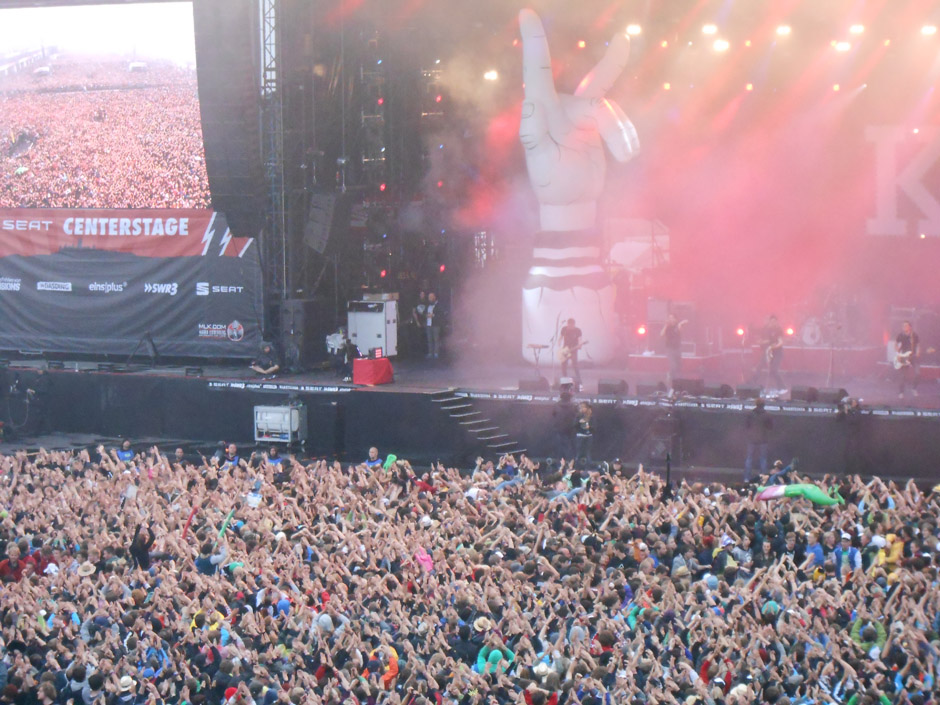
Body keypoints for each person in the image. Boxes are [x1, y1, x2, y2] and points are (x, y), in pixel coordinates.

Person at [752, 314, 784, 392]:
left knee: (773, 370)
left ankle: (782, 387)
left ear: (777, 322)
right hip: (767, 352)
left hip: (777, 353)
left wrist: (771, 345)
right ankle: (751, 385)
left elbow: (780, 342)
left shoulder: (779, 330)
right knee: (759, 367)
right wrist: (761, 342)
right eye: (771, 322)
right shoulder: (766, 330)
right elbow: (762, 339)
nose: (773, 323)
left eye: (774, 322)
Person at [744, 398, 772, 483]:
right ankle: (763, 479)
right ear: (764, 404)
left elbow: (746, 425)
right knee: (763, 459)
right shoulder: (767, 415)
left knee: (749, 458)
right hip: (763, 439)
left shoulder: (750, 414)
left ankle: (746, 478)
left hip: (752, 439)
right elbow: (770, 427)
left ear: (755, 404)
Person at [660, 313, 688, 391]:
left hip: (677, 348)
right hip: (670, 349)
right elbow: (661, 334)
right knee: (673, 365)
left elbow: (680, 330)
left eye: (672, 318)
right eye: (669, 318)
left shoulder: (678, 326)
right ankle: (670, 379)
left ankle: (676, 382)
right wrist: (665, 325)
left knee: (678, 366)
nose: (671, 319)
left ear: (675, 319)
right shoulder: (667, 327)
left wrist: (681, 323)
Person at [895, 319, 920, 399]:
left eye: (906, 325)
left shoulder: (914, 335)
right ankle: (901, 392)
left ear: (910, 327)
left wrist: (918, 352)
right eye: (903, 325)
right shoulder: (901, 335)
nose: (904, 327)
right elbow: (896, 344)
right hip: (904, 356)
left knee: (917, 373)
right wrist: (898, 353)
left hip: (913, 356)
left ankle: (914, 388)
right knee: (902, 376)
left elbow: (918, 345)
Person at [558, 318, 583, 390]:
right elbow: (560, 337)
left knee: (575, 365)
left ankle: (580, 382)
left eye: (571, 326)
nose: (569, 327)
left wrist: (580, 345)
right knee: (563, 365)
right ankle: (565, 382)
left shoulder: (578, 330)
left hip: (573, 349)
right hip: (565, 349)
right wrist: (559, 342)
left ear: (574, 325)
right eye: (568, 325)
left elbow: (580, 339)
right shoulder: (564, 329)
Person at [425, 292, 444, 359]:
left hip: (435, 324)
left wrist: (433, 315)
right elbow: (424, 312)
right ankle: (430, 352)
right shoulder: (428, 305)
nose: (429, 298)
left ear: (434, 297)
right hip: (428, 324)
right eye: (429, 297)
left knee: (436, 339)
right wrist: (426, 315)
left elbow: (441, 314)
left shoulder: (438, 305)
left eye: (431, 297)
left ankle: (436, 353)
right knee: (429, 339)